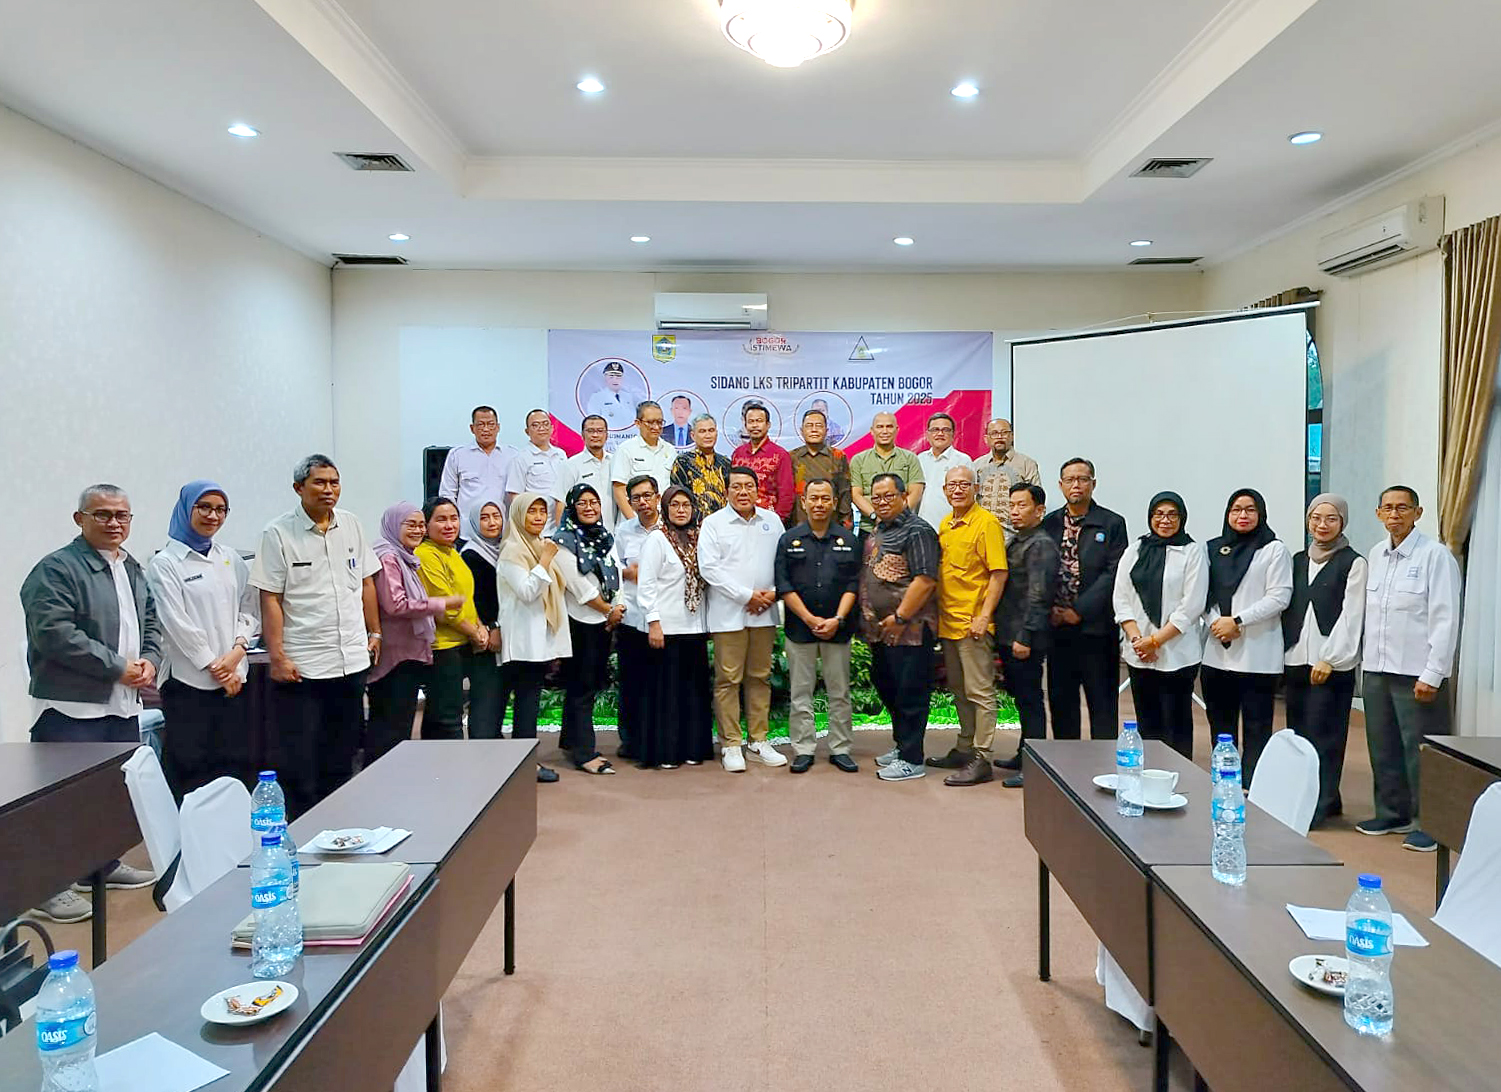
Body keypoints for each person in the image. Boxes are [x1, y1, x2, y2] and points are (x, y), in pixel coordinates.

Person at [22, 483, 161, 922]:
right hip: (72, 706)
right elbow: (54, 634)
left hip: (120, 703)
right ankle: (48, 885)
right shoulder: (56, 569)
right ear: (79, 519)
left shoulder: (130, 567)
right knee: (60, 800)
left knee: (105, 794)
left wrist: (150, 662)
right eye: (102, 514)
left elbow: (151, 623)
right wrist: (116, 666)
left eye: (122, 515)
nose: (114, 522)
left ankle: (101, 866)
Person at [250, 455, 381, 816]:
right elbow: (270, 597)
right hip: (303, 665)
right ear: (298, 488)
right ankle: (302, 828)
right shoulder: (277, 533)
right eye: (319, 483)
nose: (329, 490)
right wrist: (277, 656)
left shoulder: (351, 525)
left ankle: (340, 822)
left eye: (334, 482)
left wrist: (376, 632)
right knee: (300, 757)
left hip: (350, 660)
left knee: (343, 751)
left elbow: (367, 583)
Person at [1357, 486, 1461, 851]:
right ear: (1378, 513)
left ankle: (1430, 825)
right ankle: (1392, 812)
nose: (1395, 514)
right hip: (1377, 668)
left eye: (1403, 508)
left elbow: (1445, 619)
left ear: (1418, 513)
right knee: (1382, 745)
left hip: (1416, 672)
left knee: (1421, 752)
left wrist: (1433, 673)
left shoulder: (1436, 556)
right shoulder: (1376, 555)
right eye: (1388, 508)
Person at [146, 481, 259, 799]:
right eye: (204, 507)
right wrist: (215, 666)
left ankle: (232, 842)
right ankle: (189, 845)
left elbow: (248, 607)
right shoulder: (165, 563)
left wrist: (237, 652)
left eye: (220, 509)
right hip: (188, 684)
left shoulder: (230, 558)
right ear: (186, 509)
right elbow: (175, 622)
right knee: (193, 770)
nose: (213, 515)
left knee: (234, 766)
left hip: (236, 679)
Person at [1283, 493, 1366, 827]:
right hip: (1296, 659)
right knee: (1299, 732)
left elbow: (1352, 615)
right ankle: (1304, 795)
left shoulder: (1354, 562)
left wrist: (1330, 658)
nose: (1322, 525)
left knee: (1326, 734)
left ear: (1342, 522)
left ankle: (1324, 799)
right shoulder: (1297, 559)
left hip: (1330, 664)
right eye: (1316, 517)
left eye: (1331, 518)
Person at [1199, 488, 1293, 784]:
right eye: (1236, 509)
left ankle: (1254, 785)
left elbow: (1279, 597)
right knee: (1221, 726)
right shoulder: (1212, 548)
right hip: (1217, 654)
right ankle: (1223, 781)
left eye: (1250, 509)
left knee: (1257, 727)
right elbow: (1203, 595)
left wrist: (1237, 621)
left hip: (1258, 655)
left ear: (1260, 514)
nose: (1243, 515)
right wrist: (1216, 622)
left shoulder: (1274, 549)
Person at [698, 467, 787, 772]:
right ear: (727, 491)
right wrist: (746, 595)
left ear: (757, 489)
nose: (743, 491)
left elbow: (784, 562)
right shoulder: (713, 524)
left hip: (765, 612)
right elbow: (708, 568)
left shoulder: (772, 521)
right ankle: (731, 744)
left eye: (749, 486)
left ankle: (758, 740)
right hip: (729, 614)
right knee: (728, 679)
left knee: (760, 677)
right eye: (736, 486)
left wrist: (771, 594)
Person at [928, 466, 1008, 785]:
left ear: (976, 488)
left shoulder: (986, 523)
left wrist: (985, 615)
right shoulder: (946, 524)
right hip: (949, 623)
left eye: (964, 484)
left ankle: (982, 756)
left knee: (980, 692)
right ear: (945, 491)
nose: (958, 490)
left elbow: (998, 573)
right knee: (959, 690)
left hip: (973, 624)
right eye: (952, 485)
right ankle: (964, 747)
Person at [775, 478, 861, 773]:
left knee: (839, 693)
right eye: (814, 498)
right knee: (801, 693)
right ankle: (804, 748)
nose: (820, 504)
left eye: (825, 498)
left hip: (839, 628)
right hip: (801, 630)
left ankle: (840, 748)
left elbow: (853, 583)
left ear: (834, 501)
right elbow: (783, 584)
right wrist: (809, 619)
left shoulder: (848, 539)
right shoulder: (789, 539)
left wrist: (837, 619)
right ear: (804, 502)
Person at [1112, 492, 1208, 760]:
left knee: (1176, 721)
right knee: (1147, 720)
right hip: (1139, 651)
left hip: (1177, 652)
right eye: (1159, 514)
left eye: (1172, 514)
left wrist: (1155, 641)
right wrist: (1138, 640)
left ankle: (1179, 778)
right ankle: (1149, 775)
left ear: (1182, 518)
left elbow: (1192, 605)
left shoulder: (1192, 552)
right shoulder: (1135, 550)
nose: (1164, 520)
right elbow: (1121, 598)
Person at [862, 473, 940, 783]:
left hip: (911, 629)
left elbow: (925, 580)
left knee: (911, 693)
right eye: (876, 497)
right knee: (887, 684)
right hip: (883, 630)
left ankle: (912, 759)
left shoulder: (918, 531)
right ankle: (901, 745)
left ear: (903, 496)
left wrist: (901, 617)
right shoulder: (878, 528)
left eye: (887, 496)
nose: (881, 502)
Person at [1043, 458, 1128, 741]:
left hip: (1096, 629)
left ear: (1093, 483)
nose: (1076, 485)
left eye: (1082, 479)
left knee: (1102, 704)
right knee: (1062, 703)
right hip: (1058, 630)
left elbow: (1113, 574)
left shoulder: (1112, 523)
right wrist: (1052, 610)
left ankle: (1105, 768)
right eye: (1070, 479)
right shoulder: (1050, 523)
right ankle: (1066, 770)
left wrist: (1078, 611)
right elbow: (1042, 569)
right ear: (1060, 485)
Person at [365, 503, 456, 763]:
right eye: (410, 524)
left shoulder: (404, 556)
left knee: (399, 725)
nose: (418, 530)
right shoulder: (388, 557)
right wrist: (442, 604)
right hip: (394, 654)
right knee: (389, 727)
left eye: (420, 524)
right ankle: (381, 784)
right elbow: (396, 604)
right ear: (394, 525)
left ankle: (394, 782)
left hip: (407, 653)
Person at [636, 486, 715, 768]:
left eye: (686, 505)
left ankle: (693, 748)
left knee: (693, 692)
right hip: (666, 628)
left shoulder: (698, 538)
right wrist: (654, 622)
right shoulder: (657, 539)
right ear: (666, 508)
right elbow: (645, 585)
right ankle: (667, 752)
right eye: (675, 505)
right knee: (667, 694)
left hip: (694, 626)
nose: (681, 510)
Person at [550, 483, 626, 774]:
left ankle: (571, 741)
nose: (590, 507)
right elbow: (579, 588)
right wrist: (609, 610)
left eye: (594, 501)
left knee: (589, 683)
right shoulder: (563, 541)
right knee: (582, 686)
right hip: (580, 622)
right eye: (582, 502)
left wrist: (617, 607)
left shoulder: (605, 536)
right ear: (571, 507)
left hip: (605, 621)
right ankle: (585, 754)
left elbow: (616, 571)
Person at [495, 491, 567, 783]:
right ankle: (525, 765)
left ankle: (526, 762)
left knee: (530, 703)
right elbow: (527, 591)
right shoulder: (513, 550)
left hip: (538, 639)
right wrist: (546, 560)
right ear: (518, 516)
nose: (538, 517)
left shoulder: (538, 545)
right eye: (531, 512)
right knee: (525, 705)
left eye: (542, 512)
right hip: (522, 641)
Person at [992, 483, 1059, 788]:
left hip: (1024, 635)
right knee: (1021, 698)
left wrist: (1026, 636)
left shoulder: (1041, 545)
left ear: (1040, 510)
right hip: (1008, 632)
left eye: (1022, 505)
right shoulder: (1018, 540)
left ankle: (1034, 765)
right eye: (1012, 505)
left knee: (1031, 699)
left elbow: (1039, 596)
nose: (1015, 511)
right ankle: (1024, 752)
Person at [415, 497, 489, 741]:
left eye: (454, 518)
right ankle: (451, 772)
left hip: (461, 643)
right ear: (426, 525)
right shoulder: (425, 554)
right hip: (442, 646)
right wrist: (474, 632)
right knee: (447, 718)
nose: (449, 525)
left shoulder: (452, 551)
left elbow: (467, 598)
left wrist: (479, 626)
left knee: (446, 713)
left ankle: (440, 768)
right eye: (441, 519)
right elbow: (444, 607)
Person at [612, 474, 662, 761]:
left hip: (664, 619)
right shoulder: (623, 531)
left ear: (657, 496)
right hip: (632, 618)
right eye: (636, 498)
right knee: (631, 682)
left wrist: (647, 573)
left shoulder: (670, 528)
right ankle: (630, 741)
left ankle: (658, 738)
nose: (643, 502)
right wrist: (629, 573)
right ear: (629, 502)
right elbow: (615, 570)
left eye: (647, 495)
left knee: (661, 682)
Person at [460, 499, 510, 739]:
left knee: (498, 692)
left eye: (496, 516)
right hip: (486, 634)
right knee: (485, 692)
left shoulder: (504, 548)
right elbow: (474, 598)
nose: (492, 522)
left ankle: (494, 742)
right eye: (484, 517)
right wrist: (491, 627)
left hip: (503, 632)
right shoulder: (471, 554)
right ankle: (483, 744)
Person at [439, 405, 518, 520]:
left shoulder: (513, 455)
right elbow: (447, 495)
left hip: (503, 526)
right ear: (472, 428)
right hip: (467, 528)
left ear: (498, 427)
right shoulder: (457, 455)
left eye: (491, 424)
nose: (486, 429)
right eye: (481, 425)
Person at [850, 412, 924, 526]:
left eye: (889, 427)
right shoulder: (858, 460)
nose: (885, 431)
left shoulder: (910, 458)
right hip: (869, 527)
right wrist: (875, 517)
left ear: (897, 429)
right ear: (872, 430)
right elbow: (856, 495)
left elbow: (916, 492)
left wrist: (899, 517)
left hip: (903, 526)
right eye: (880, 427)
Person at [974, 418, 1042, 541]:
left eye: (1004, 433)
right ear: (986, 439)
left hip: (1016, 536)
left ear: (1012, 436)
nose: (999, 437)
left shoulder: (1027, 464)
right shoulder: (977, 465)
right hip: (982, 535)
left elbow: (1037, 499)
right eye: (994, 433)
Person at [731, 401, 795, 524]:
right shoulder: (738, 454)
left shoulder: (780, 455)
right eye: (751, 422)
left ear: (768, 425)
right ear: (745, 425)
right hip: (739, 520)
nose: (755, 426)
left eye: (759, 421)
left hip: (768, 521)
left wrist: (777, 521)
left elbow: (786, 494)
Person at [788, 408, 853, 528]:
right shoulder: (791, 457)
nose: (814, 430)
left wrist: (846, 525)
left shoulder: (837, 456)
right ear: (802, 431)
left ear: (826, 430)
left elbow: (845, 493)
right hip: (798, 525)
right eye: (809, 426)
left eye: (818, 426)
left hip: (831, 526)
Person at [611, 399, 675, 514]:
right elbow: (619, 490)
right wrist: (633, 521)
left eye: (660, 422)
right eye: (650, 422)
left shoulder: (670, 450)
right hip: (634, 520)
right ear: (638, 423)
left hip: (663, 520)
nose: (656, 427)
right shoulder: (626, 449)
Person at [505, 409, 568, 527]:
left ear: (551, 428)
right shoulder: (521, 458)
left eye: (545, 424)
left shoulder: (561, 455)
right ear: (527, 431)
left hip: (560, 525)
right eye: (535, 425)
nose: (541, 428)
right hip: (536, 527)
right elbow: (515, 497)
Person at [916, 413, 973, 529]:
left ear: (953, 435)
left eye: (945, 430)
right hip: (921, 527)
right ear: (927, 435)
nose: (940, 434)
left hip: (953, 527)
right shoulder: (919, 459)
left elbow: (970, 498)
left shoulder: (963, 460)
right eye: (935, 430)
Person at [561, 414, 617, 528]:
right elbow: (561, 504)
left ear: (607, 435)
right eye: (590, 431)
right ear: (582, 435)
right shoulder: (571, 465)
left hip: (614, 534)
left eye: (600, 431)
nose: (595, 435)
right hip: (583, 536)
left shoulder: (616, 461)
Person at [671, 413, 732, 517]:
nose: (708, 435)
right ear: (693, 435)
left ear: (716, 433)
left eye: (711, 431)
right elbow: (678, 496)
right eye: (702, 431)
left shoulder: (725, 463)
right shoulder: (683, 462)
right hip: (693, 524)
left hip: (722, 522)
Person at [586, 360, 638, 430]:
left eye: (618, 377)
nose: (615, 380)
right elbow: (592, 422)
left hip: (627, 435)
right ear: (605, 378)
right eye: (611, 377)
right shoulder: (597, 397)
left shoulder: (628, 396)